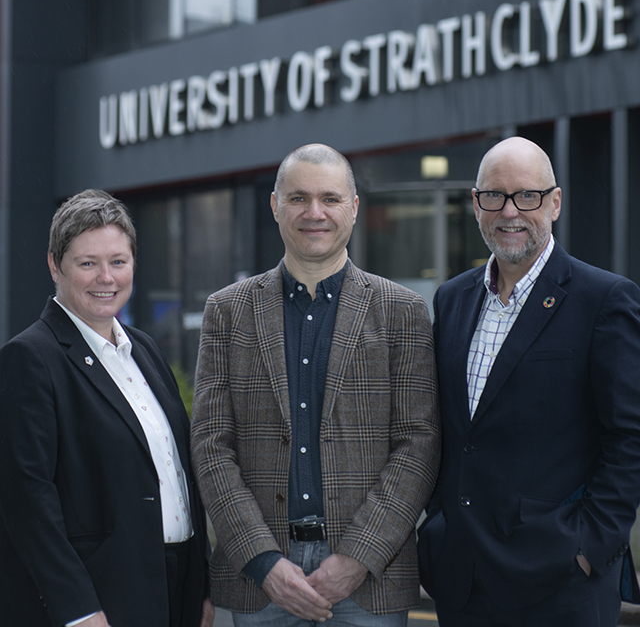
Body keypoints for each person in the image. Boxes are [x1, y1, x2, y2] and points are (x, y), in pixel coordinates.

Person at [191, 143, 441, 626]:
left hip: (368, 578)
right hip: (259, 582)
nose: (315, 212)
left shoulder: (402, 312)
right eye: (299, 198)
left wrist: (355, 559)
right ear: (275, 205)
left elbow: (419, 445)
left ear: (354, 207)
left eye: (330, 198)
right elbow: (210, 444)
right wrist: (262, 560)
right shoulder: (226, 311)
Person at [418, 136, 640, 626]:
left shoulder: (604, 299)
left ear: (554, 202)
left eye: (528, 196)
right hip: (462, 578)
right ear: (476, 204)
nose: (510, 211)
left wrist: (588, 546)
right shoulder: (452, 300)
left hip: (559, 583)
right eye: (494, 196)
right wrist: (436, 524)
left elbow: (630, 438)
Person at [0, 190, 214, 627]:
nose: (106, 277)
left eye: (118, 261)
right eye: (87, 263)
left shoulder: (146, 351)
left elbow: (179, 473)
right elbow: (27, 502)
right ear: (54, 266)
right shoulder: (29, 359)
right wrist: (78, 611)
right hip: (100, 600)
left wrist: (201, 588)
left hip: (174, 590)